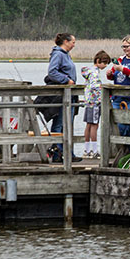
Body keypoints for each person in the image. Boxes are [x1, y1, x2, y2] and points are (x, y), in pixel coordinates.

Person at [45, 33, 81, 163]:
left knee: (67, 124)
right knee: (59, 124)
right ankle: (57, 154)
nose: (74, 44)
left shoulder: (65, 54)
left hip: (70, 95)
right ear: (66, 41)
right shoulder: (58, 54)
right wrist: (66, 80)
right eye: (73, 42)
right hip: (62, 96)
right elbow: (52, 71)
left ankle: (68, 153)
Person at [80, 50, 111, 159]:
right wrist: (103, 91)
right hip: (95, 101)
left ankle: (86, 150)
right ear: (98, 61)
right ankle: (94, 150)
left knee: (88, 125)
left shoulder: (89, 71)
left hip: (88, 101)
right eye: (105, 63)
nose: (106, 65)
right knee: (94, 125)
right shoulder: (94, 73)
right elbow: (95, 86)